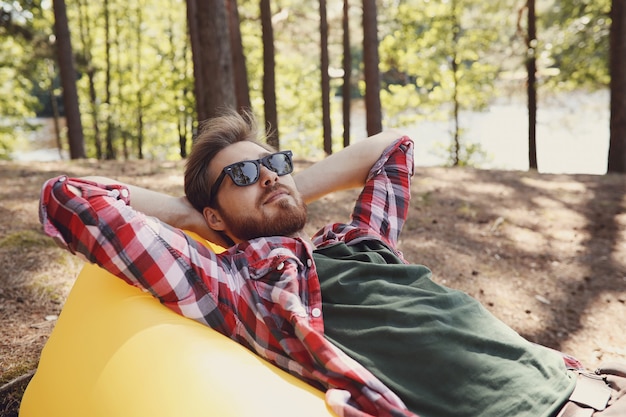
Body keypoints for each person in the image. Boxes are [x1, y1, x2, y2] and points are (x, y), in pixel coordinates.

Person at [39, 109, 625, 417]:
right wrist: (193, 216)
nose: (267, 173)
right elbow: (66, 200)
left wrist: (282, 187)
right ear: (214, 216)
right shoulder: (244, 287)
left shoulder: (361, 238)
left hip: (590, 382)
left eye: (275, 161)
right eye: (241, 175)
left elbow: (394, 149)